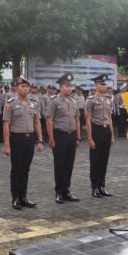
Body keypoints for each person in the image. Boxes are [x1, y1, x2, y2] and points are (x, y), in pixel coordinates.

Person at [3, 76, 44, 210]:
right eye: (22, 87)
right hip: (16, 139)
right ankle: (15, 198)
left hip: (29, 139)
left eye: (27, 87)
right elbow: (6, 125)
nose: (25, 89)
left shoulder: (33, 102)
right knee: (16, 169)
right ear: (16, 88)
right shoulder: (11, 103)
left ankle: (23, 197)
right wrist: (7, 145)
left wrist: (40, 140)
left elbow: (37, 122)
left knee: (26, 169)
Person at [46, 73, 81, 204]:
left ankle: (67, 191)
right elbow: (49, 120)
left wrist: (77, 137)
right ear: (60, 87)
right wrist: (51, 138)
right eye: (66, 86)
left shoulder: (74, 101)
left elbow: (77, 119)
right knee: (59, 165)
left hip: (71, 136)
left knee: (69, 164)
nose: (69, 88)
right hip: (59, 136)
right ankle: (59, 192)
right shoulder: (54, 101)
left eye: (70, 86)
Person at [85, 74, 115, 198]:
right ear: (96, 86)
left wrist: (112, 135)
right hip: (96, 130)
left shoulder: (109, 99)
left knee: (104, 160)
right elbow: (88, 120)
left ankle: (102, 186)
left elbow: (110, 118)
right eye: (101, 84)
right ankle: (95, 187)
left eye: (105, 84)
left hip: (106, 130)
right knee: (95, 160)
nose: (104, 86)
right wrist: (90, 138)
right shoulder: (90, 100)